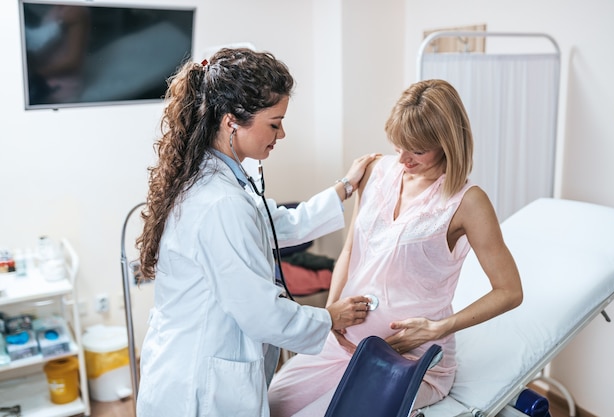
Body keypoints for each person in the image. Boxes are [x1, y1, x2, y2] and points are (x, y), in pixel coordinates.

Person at [134, 48, 379, 417]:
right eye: (274, 123)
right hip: (199, 390)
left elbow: (275, 226)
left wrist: (345, 187)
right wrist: (331, 317)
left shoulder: (215, 179)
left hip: (189, 369)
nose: (282, 133)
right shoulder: (220, 203)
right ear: (233, 122)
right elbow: (263, 314)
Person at [268, 79, 524, 416]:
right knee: (269, 407)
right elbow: (350, 250)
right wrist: (331, 313)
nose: (402, 157)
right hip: (342, 344)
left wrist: (437, 329)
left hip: (408, 359)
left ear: (447, 143)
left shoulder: (468, 202)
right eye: (398, 144)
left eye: (416, 149)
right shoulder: (376, 171)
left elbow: (509, 291)